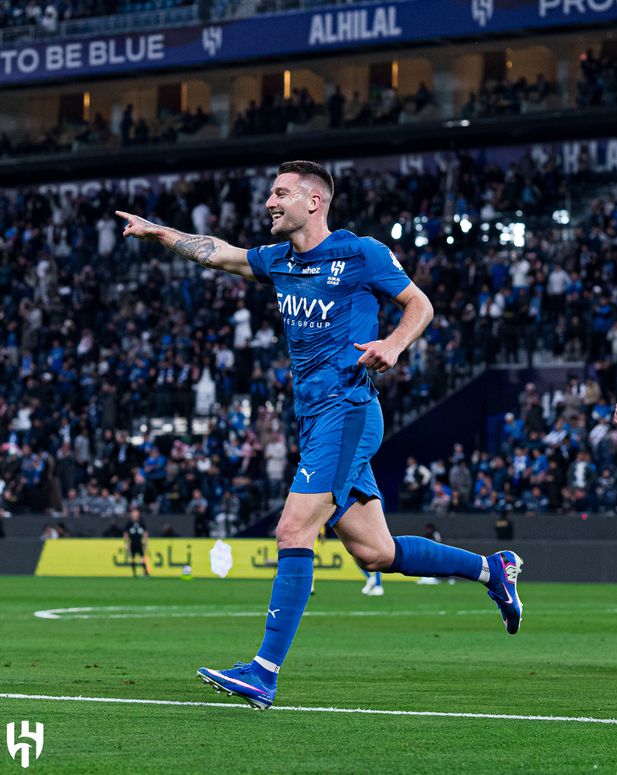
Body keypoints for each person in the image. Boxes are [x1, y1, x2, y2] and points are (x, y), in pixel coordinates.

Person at [116, 159, 524, 711]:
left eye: (280, 193)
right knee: (376, 553)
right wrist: (159, 233)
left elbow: (419, 304)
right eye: (270, 193)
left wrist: (394, 344)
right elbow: (218, 252)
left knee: (293, 529)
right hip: (313, 421)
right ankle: (491, 570)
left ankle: (263, 673)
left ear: (314, 201)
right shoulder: (279, 260)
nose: (269, 202)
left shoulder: (361, 253)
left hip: (348, 411)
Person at [123, 507, 150, 577]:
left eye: (136, 513)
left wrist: (146, 542)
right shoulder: (129, 523)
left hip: (139, 543)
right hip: (132, 543)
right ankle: (134, 573)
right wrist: (126, 543)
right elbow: (125, 534)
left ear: (138, 514)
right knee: (132, 558)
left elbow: (145, 533)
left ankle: (145, 572)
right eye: (133, 514)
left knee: (142, 558)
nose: (135, 515)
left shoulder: (141, 523)